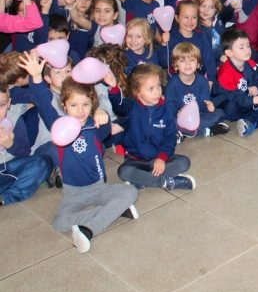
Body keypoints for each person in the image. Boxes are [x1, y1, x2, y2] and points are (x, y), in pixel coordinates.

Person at [21, 51, 138, 253]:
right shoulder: (58, 127)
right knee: (59, 222)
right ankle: (110, 212)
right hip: (73, 193)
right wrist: (37, 77)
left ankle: (88, 229)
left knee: (131, 192)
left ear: (92, 104)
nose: (80, 110)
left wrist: (103, 111)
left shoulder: (96, 125)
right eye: (74, 105)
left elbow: (107, 121)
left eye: (86, 104)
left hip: (98, 187)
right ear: (64, 106)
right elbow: (43, 103)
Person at [113, 64, 196, 191]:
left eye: (158, 86)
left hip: (159, 159)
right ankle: (166, 182)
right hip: (135, 161)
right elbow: (118, 107)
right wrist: (113, 89)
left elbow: (170, 138)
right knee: (123, 171)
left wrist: (161, 158)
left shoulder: (166, 110)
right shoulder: (131, 107)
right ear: (137, 92)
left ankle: (143, 180)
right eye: (150, 89)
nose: (157, 91)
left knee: (184, 162)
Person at [211, 28, 258, 137]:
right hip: (230, 103)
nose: (247, 50)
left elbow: (257, 77)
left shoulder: (249, 62)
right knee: (233, 107)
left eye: (248, 46)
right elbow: (236, 98)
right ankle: (251, 120)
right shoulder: (225, 73)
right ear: (229, 53)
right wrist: (255, 100)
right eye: (241, 47)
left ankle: (248, 122)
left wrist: (255, 87)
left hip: (245, 97)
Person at [0, 87, 52, 206]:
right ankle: (20, 184)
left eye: (1, 105)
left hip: (11, 167)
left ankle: (5, 198)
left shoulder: (15, 119)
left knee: (43, 162)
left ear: (9, 103)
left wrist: (10, 145)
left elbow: (25, 153)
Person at [165, 42, 229, 138]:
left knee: (220, 113)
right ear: (175, 65)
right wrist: (177, 114)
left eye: (192, 60)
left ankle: (186, 132)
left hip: (197, 115)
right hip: (179, 116)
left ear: (198, 64)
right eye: (182, 60)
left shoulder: (202, 81)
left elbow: (203, 103)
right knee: (169, 121)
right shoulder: (172, 84)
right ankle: (206, 131)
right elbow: (170, 105)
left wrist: (208, 106)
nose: (188, 63)